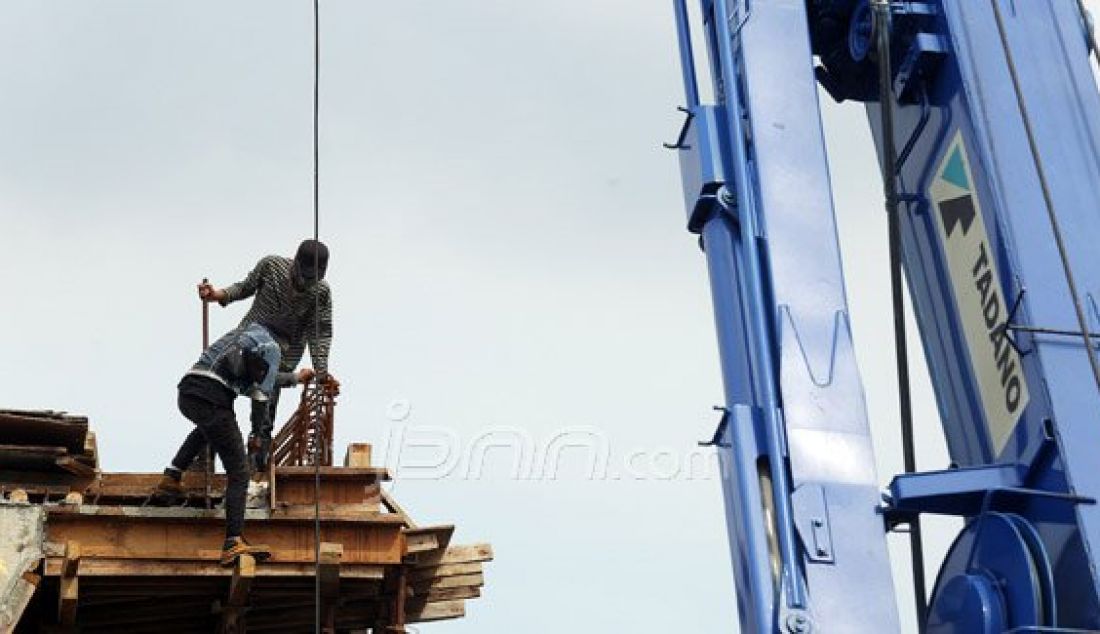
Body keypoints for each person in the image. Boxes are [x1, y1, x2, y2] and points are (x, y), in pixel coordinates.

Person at [155, 322, 315, 566]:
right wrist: (257, 434)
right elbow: (262, 395)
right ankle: (233, 542)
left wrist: (294, 378)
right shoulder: (272, 348)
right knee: (239, 472)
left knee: (208, 429)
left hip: (189, 392)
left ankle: (172, 477)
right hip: (213, 397)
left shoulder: (243, 336)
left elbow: (260, 381)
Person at [197, 239, 333, 468]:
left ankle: (257, 465)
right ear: (296, 263)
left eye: (313, 279)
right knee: (218, 399)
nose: (306, 283)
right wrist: (217, 295)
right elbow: (244, 287)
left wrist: (321, 370)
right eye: (304, 276)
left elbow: (320, 332)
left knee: (264, 416)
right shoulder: (272, 266)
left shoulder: (320, 293)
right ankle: (204, 458)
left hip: (281, 359)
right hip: (247, 346)